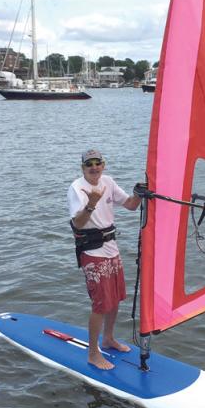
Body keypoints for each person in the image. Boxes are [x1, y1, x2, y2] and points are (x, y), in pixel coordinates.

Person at [67, 149, 141, 370]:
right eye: (89, 164)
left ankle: (108, 339)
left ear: (103, 165)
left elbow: (130, 205)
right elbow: (78, 224)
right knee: (100, 305)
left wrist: (139, 193)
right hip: (92, 252)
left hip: (111, 249)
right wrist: (91, 203)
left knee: (115, 298)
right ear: (83, 167)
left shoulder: (108, 181)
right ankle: (92, 354)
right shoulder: (77, 188)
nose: (94, 167)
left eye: (97, 163)